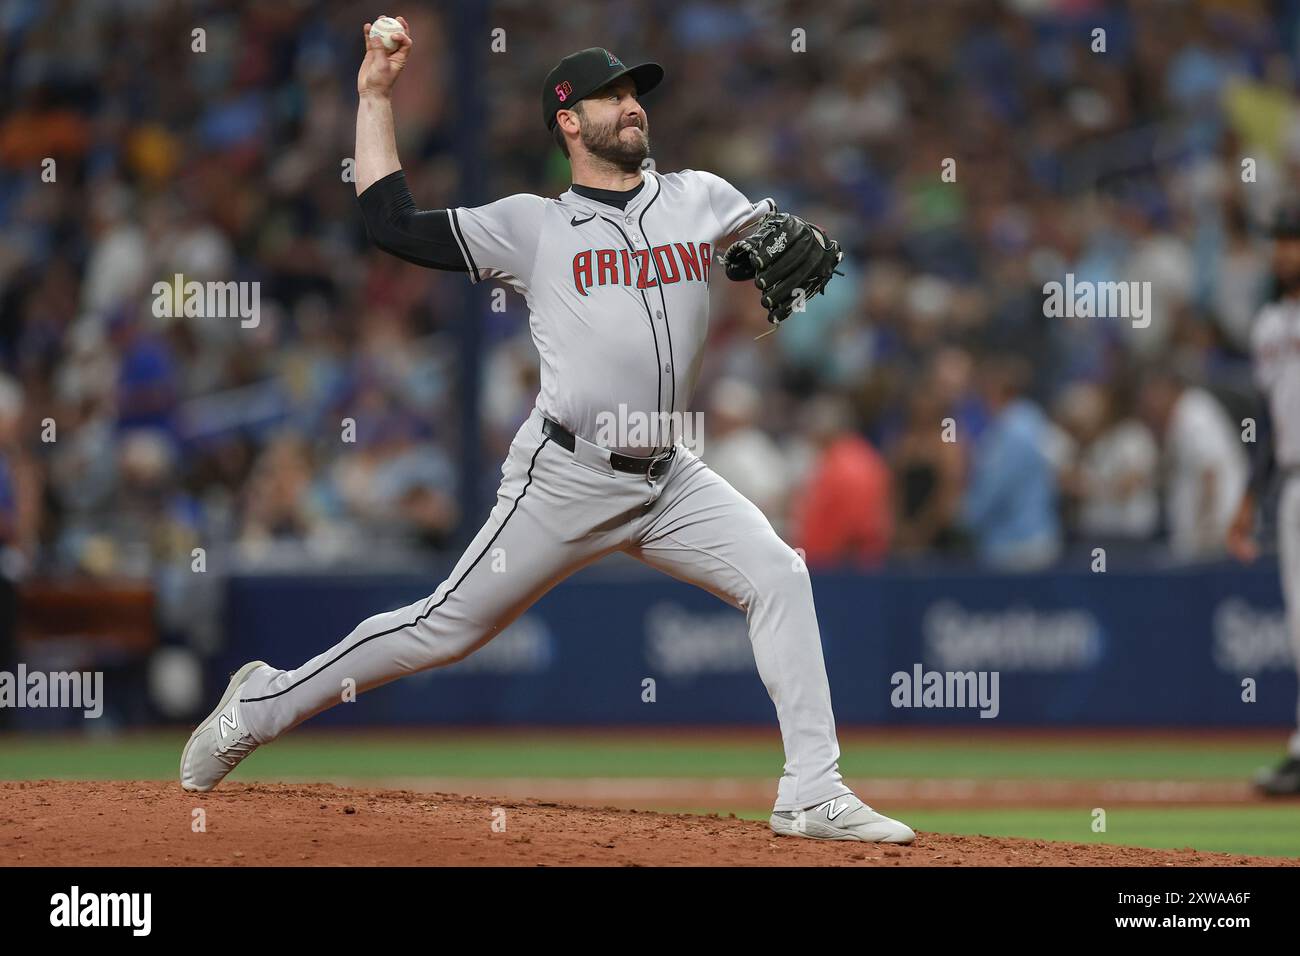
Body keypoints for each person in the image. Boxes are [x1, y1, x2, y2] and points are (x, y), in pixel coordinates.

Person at [179, 21, 915, 845]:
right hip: (565, 475)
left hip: (669, 476)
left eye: (637, 93)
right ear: (569, 121)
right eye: (614, 96)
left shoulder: (700, 196)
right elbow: (393, 223)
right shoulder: (532, 226)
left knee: (778, 574)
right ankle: (261, 702)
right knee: (441, 629)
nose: (633, 107)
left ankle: (812, 793)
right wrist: (375, 96)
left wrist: (787, 238)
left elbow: (771, 241)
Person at [1226, 204, 1300, 796]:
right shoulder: (1269, 325)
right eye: (1278, 240)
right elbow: (1269, 423)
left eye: (1291, 240)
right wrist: (1251, 496)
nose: (1283, 251)